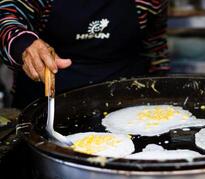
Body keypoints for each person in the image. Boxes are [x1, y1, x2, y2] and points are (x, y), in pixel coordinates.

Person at [0, 0, 170, 109]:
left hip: (130, 103)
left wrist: (163, 93)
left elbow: (155, 45)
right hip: (48, 102)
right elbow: (6, 18)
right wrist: (23, 44)